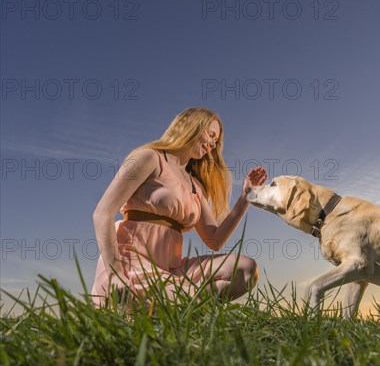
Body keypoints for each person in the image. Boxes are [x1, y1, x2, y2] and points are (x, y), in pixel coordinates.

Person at [90, 107, 267, 307]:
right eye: (210, 134)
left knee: (245, 270)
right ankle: (179, 309)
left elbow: (215, 240)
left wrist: (246, 197)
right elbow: (102, 213)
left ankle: (182, 307)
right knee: (185, 300)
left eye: (216, 140)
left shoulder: (195, 185)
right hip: (131, 261)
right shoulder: (150, 158)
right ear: (191, 126)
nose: (212, 144)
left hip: (171, 267)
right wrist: (116, 274)